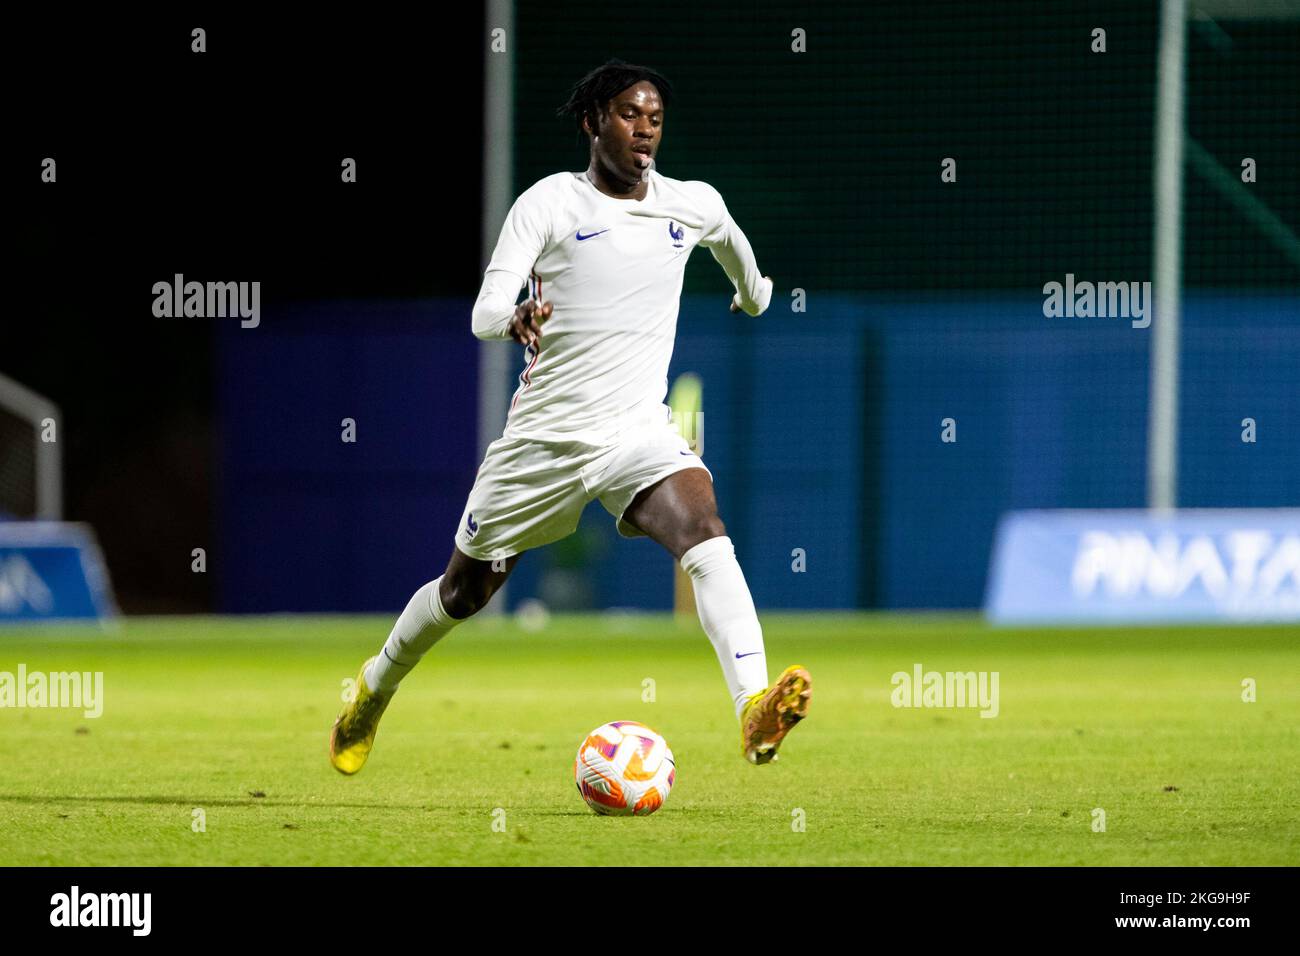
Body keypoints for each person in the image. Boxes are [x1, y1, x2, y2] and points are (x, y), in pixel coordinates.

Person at [330, 58, 810, 775]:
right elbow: (484, 311)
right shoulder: (551, 204)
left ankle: (752, 708)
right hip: (545, 441)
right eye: (627, 114)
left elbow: (735, 249)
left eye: (653, 118)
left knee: (707, 535)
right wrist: (515, 315)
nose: (644, 129)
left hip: (636, 432)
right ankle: (375, 687)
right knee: (464, 592)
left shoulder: (690, 202)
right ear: (592, 122)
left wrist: (757, 293)